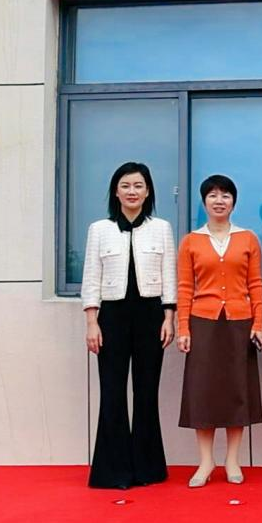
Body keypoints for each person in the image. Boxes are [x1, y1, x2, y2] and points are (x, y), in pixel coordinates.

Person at [81, 162, 176, 490]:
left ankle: (148, 469)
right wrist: (92, 322)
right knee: (112, 392)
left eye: (138, 186)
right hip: (112, 316)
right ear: (115, 191)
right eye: (125, 185)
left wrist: (169, 317)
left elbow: (170, 275)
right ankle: (113, 472)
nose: (132, 191)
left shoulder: (161, 228)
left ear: (148, 191)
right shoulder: (99, 229)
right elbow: (91, 277)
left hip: (151, 315)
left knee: (147, 392)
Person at [176, 175, 262, 488]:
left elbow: (256, 284)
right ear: (204, 202)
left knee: (236, 390)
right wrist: (183, 328)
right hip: (203, 322)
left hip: (240, 322)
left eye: (225, 195)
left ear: (233, 202)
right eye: (213, 195)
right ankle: (205, 460)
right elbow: (185, 287)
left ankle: (232, 460)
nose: (219, 200)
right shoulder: (191, 241)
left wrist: (258, 323)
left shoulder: (248, 239)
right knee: (203, 391)